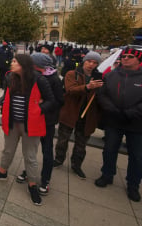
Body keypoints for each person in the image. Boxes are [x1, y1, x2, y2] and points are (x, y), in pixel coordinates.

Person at [0, 54, 55, 206]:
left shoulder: (39, 80)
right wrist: (1, 102)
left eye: (15, 61)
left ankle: (32, 185)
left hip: (30, 125)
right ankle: (2, 172)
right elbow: (6, 95)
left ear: (23, 65)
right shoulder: (11, 78)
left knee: (30, 156)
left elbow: (52, 101)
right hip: (12, 123)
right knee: (8, 150)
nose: (12, 63)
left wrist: (39, 109)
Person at [95, 47, 142, 202]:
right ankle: (107, 175)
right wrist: (112, 109)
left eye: (130, 56)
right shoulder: (111, 75)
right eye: (124, 56)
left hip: (136, 124)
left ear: (138, 60)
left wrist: (130, 112)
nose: (126, 58)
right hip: (113, 120)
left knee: (137, 156)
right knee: (109, 150)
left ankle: (133, 184)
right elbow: (102, 95)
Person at [16, 53, 64, 195]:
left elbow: (60, 100)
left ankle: (45, 179)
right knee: (31, 149)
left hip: (47, 121)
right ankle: (29, 172)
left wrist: (42, 105)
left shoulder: (54, 79)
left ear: (36, 65)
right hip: (33, 119)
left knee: (46, 150)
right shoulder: (31, 77)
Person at [54, 51, 103, 179]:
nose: (91, 64)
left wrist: (99, 90)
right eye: (89, 61)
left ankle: (77, 164)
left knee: (81, 143)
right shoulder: (72, 74)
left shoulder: (99, 77)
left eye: (95, 62)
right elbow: (70, 90)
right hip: (70, 113)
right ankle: (59, 159)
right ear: (84, 61)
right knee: (62, 139)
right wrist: (87, 87)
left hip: (87, 116)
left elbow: (101, 97)